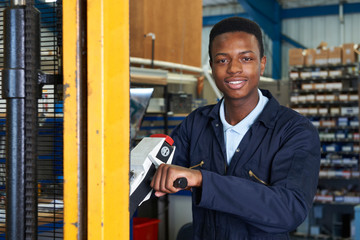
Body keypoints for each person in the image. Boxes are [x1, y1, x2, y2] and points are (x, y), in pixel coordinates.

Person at [150, 17, 320, 239]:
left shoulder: (295, 131)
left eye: (246, 58)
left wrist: (202, 180)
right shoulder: (196, 123)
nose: (234, 69)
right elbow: (157, 167)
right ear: (211, 67)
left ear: (262, 63)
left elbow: (289, 209)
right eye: (222, 60)